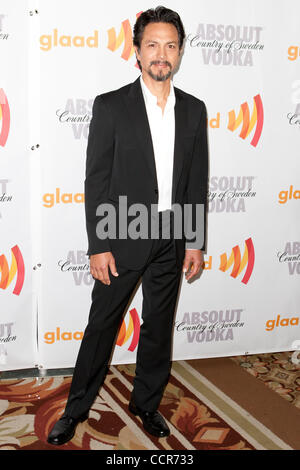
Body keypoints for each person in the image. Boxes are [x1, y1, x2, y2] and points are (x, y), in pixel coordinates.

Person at [47, 5, 208, 446]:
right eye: (152, 44)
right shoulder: (112, 106)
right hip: (122, 235)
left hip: (172, 237)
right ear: (136, 51)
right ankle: (75, 409)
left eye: (170, 45)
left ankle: (146, 403)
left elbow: (195, 181)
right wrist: (99, 244)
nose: (162, 53)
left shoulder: (194, 111)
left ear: (179, 53)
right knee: (102, 324)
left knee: (159, 325)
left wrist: (194, 240)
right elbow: (96, 180)